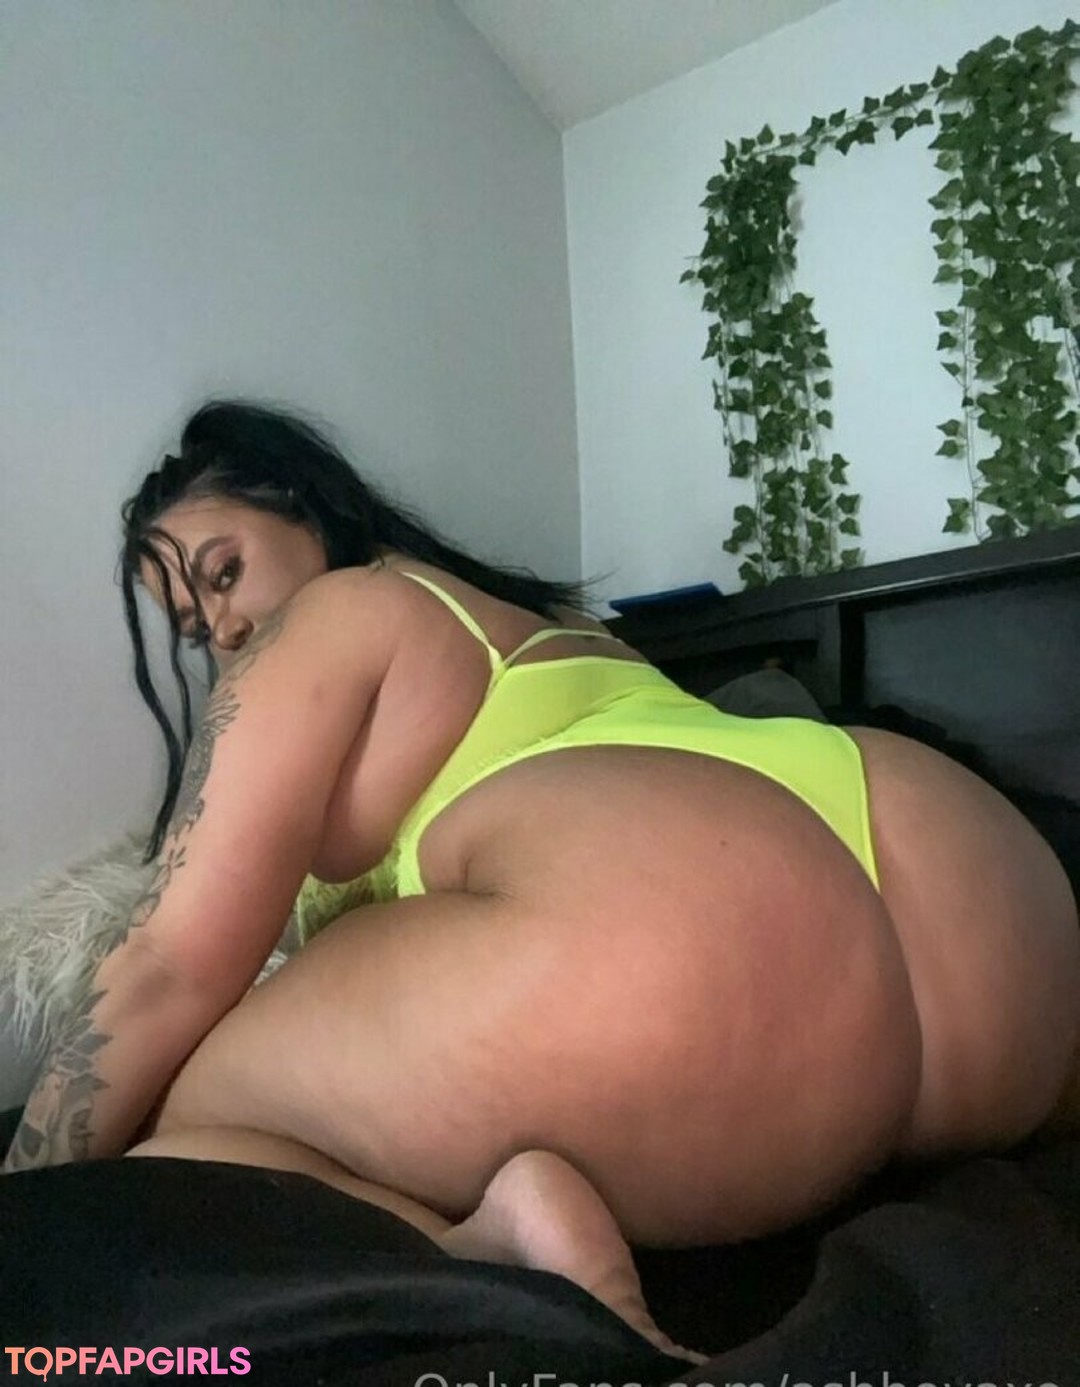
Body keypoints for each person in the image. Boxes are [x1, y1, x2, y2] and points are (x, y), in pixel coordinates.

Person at [6, 400, 1080, 1357]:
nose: (224, 628)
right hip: (988, 905)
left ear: (300, 504)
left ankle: (489, 1238)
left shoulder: (337, 616)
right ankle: (494, 1229)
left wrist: (21, 1213)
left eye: (223, 570)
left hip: (698, 959)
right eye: (193, 626)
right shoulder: (559, 630)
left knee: (183, 1125)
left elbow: (169, 960)